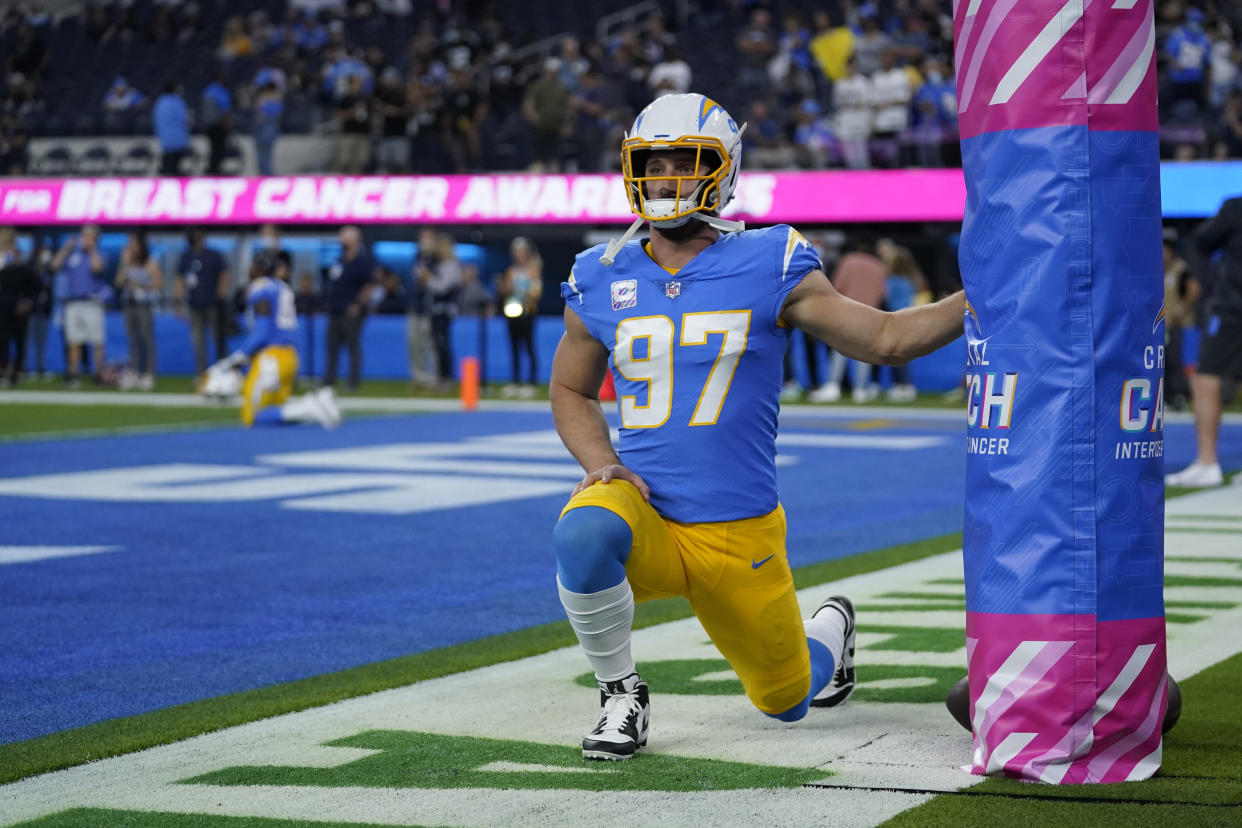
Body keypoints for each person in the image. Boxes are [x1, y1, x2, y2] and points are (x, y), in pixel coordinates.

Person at [550, 93, 965, 760]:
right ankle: (621, 693)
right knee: (583, 526)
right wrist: (600, 460)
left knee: (786, 700)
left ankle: (831, 629)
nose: (664, 179)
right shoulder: (599, 273)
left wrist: (985, 295)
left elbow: (887, 339)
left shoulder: (770, 259)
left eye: (683, 164)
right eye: (652, 164)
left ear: (722, 170)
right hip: (647, 512)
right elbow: (570, 389)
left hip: (737, 530)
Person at [205, 249, 340, 429]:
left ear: (258, 267)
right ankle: (316, 403)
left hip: (270, 359)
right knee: (275, 415)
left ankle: (309, 406)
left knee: (251, 417)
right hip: (289, 356)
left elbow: (262, 332)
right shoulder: (282, 287)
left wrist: (237, 357)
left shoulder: (261, 288)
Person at [1167, 196, 1242, 487]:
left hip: (1234, 306)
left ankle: (1207, 461)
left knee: (1206, 378)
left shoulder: (1236, 208)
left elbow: (1203, 240)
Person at [50, 224, 107, 386]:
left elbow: (97, 268)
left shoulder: (99, 254)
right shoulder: (73, 256)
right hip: (73, 302)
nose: (85, 239)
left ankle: (99, 373)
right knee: (73, 339)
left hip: (92, 302)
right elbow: (54, 265)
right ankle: (73, 373)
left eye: (89, 236)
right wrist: (66, 248)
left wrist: (93, 249)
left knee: (97, 339)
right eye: (84, 236)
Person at [175, 228, 230, 378]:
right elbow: (180, 280)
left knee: (218, 339)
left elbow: (224, 275)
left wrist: (220, 293)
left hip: (212, 303)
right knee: (198, 342)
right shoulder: (186, 257)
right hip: (194, 304)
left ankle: (223, 371)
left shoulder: (213, 255)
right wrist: (178, 301)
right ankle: (202, 373)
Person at [324, 225, 373, 390]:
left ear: (354, 239)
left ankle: (353, 381)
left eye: (344, 236)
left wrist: (358, 305)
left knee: (353, 346)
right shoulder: (340, 259)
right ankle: (329, 381)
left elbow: (368, 286)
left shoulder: (362, 261)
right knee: (332, 347)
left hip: (351, 311)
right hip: (335, 309)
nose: (340, 239)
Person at [116, 231, 162, 390]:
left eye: (134, 244)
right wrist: (124, 264)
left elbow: (158, 283)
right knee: (132, 339)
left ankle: (149, 373)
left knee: (146, 339)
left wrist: (141, 286)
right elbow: (118, 281)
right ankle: (134, 371)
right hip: (129, 303)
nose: (131, 247)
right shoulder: (127, 262)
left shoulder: (150, 262)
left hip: (144, 303)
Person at [498, 236, 543, 397]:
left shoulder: (533, 270)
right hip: (512, 311)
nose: (519, 255)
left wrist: (523, 292)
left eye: (522, 252)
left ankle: (531, 382)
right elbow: (503, 291)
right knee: (514, 347)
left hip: (527, 312)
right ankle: (515, 381)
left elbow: (536, 292)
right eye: (516, 252)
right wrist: (504, 286)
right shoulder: (511, 271)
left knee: (529, 346)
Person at [1163, 236, 1200, 410]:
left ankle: (1179, 396)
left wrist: (1180, 309)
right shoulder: (1159, 270)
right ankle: (1167, 396)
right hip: (1163, 325)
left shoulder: (1180, 268)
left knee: (1176, 360)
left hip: (1179, 325)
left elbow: (1194, 288)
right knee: (1165, 361)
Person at [0, 228, 39, 387]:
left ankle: (16, 371)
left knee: (18, 340)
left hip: (16, 303)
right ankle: (3, 369)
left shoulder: (20, 258)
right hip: (2, 303)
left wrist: (28, 300)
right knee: (3, 340)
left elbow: (31, 282)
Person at [427, 232, 462, 384]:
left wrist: (428, 279)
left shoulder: (451, 266)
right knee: (437, 344)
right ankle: (440, 376)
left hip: (444, 310)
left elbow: (442, 287)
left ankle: (445, 377)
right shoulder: (440, 265)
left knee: (442, 344)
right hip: (435, 309)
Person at [408, 229, 438, 389]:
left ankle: (433, 377)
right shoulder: (417, 257)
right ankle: (418, 377)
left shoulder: (437, 259)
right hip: (416, 307)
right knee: (414, 343)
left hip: (430, 308)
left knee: (430, 344)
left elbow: (437, 283)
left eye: (428, 238)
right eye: (422, 238)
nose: (424, 242)